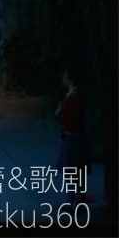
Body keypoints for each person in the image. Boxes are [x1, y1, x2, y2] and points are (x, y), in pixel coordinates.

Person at [55, 68, 94, 205]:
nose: (63, 78)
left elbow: (68, 118)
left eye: (65, 76)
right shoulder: (72, 95)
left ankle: (75, 200)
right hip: (72, 135)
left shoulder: (75, 97)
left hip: (74, 137)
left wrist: (59, 112)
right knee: (74, 169)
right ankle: (75, 198)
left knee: (73, 169)